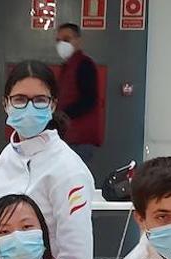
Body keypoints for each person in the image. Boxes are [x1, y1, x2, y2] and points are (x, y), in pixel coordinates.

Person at [0, 60, 96, 259]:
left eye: (40, 100)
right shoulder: (9, 154)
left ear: (52, 105)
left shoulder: (69, 169)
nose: (29, 108)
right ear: (6, 104)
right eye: (20, 99)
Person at [54, 23, 103, 163]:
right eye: (58, 40)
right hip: (69, 136)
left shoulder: (84, 65)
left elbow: (89, 100)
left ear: (78, 41)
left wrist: (61, 115)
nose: (61, 43)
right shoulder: (67, 67)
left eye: (66, 39)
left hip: (79, 138)